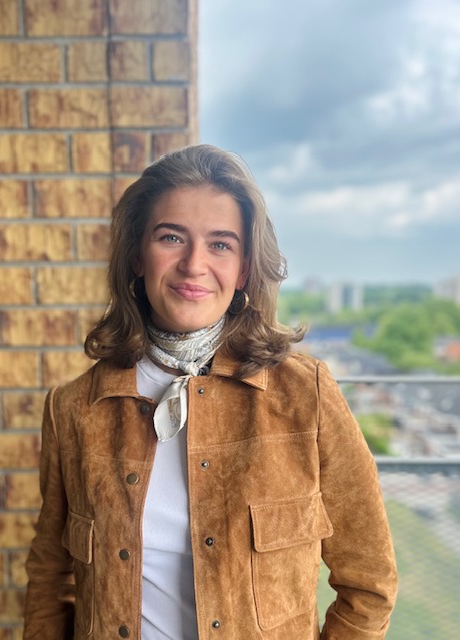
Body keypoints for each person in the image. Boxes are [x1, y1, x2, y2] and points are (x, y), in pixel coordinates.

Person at [23, 144, 397, 640]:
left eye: (221, 244)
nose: (194, 264)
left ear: (244, 269)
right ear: (137, 256)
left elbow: (369, 583)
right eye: (171, 237)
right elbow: (50, 578)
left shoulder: (305, 396)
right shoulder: (72, 410)